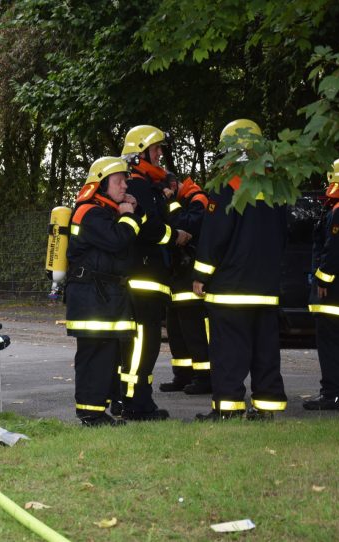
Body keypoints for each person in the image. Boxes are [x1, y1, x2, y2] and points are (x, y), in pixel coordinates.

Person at [193, 119, 287, 420]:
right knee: (266, 352)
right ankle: (266, 407)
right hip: (266, 288)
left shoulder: (226, 185)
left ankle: (228, 408)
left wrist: (200, 275)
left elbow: (213, 237)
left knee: (229, 352)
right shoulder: (275, 187)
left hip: (231, 289)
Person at [119, 125, 191, 421]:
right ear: (140, 153)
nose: (161, 153)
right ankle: (135, 403)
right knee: (142, 343)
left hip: (150, 276)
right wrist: (174, 236)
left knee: (144, 343)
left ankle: (139, 401)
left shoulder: (147, 185)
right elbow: (146, 229)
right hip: (142, 276)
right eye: (156, 148)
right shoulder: (136, 184)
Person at [66, 157, 143, 426]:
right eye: (118, 180)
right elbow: (117, 240)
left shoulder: (107, 212)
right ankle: (90, 413)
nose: (124, 185)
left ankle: (99, 410)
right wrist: (130, 215)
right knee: (95, 357)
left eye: (125, 179)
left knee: (106, 356)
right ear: (101, 184)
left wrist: (130, 212)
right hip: (92, 299)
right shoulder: (89, 212)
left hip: (102, 297)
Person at [161, 177, 212, 394]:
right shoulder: (185, 201)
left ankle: (205, 377)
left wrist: (170, 203)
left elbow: (187, 225)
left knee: (194, 331)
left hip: (191, 275)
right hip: (177, 276)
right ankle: (182, 376)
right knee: (176, 330)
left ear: (173, 187)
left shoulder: (198, 199)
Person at [305, 156, 339, 410]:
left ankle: (332, 394)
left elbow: (336, 251)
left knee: (331, 345)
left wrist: (322, 277)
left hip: (335, 295)